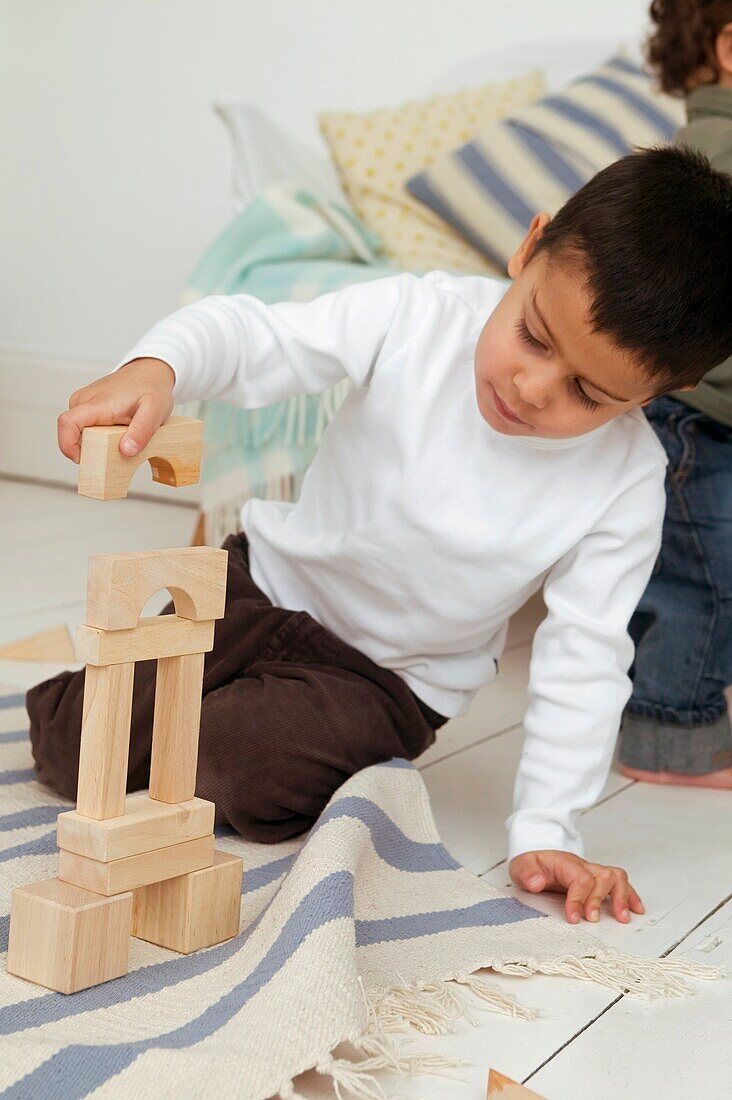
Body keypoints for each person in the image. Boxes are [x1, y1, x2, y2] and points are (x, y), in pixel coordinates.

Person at [29, 145, 731, 928]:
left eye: (588, 394)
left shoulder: (629, 480)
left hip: (383, 682)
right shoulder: (420, 314)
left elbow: (587, 657)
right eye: (533, 337)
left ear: (662, 392)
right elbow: (259, 337)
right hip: (258, 587)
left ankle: (307, 751)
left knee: (238, 760)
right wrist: (159, 366)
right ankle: (192, 708)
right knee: (64, 739)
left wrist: (545, 830)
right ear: (528, 248)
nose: (533, 390)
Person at [618, 1, 732, 786]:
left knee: (683, 573)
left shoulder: (696, 152)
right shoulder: (719, 154)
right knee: (704, 582)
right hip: (699, 420)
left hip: (693, 414)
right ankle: (668, 741)